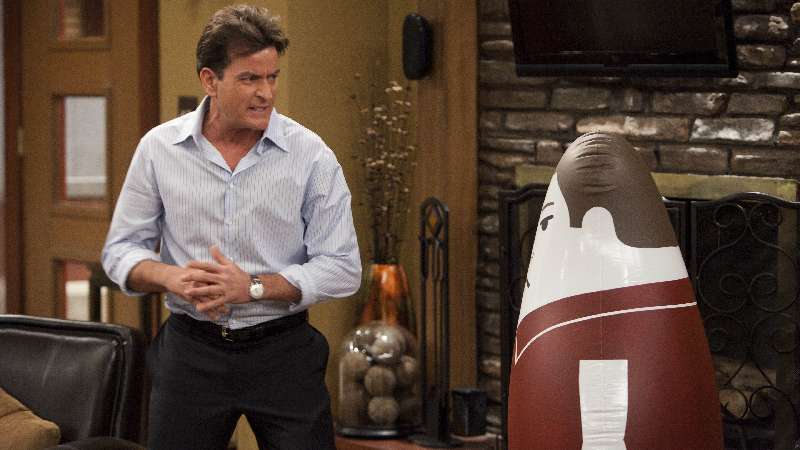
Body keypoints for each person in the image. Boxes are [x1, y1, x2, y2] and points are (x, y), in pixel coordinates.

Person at [101, 5, 361, 449]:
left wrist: (253, 287)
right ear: (210, 80)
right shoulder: (159, 149)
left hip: (284, 354)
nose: (266, 93)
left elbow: (343, 267)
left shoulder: (312, 155)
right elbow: (120, 251)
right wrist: (172, 277)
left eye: (272, 77)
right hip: (190, 355)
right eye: (249, 79)